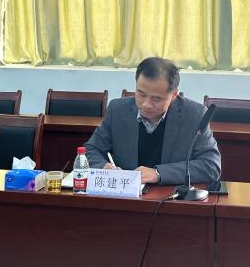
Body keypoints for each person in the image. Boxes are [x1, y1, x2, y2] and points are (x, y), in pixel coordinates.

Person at [85, 57, 221, 185]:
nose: (146, 104)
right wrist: (104, 167)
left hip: (171, 197)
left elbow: (211, 166)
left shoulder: (194, 115)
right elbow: (90, 150)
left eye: (156, 99)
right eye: (141, 94)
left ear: (174, 95)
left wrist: (158, 173)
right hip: (125, 195)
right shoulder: (118, 110)